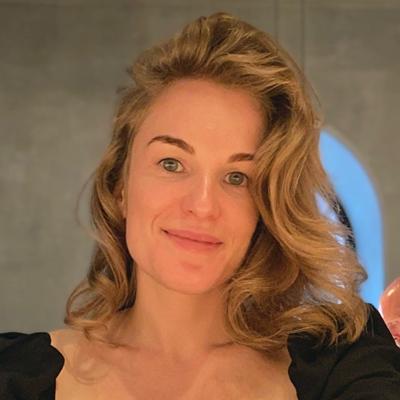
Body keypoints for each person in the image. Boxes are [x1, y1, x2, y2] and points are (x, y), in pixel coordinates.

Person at [1, 11, 399, 400]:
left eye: (237, 177)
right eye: (171, 164)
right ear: (120, 186)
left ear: (265, 207)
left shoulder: (344, 362)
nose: (203, 205)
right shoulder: (15, 373)